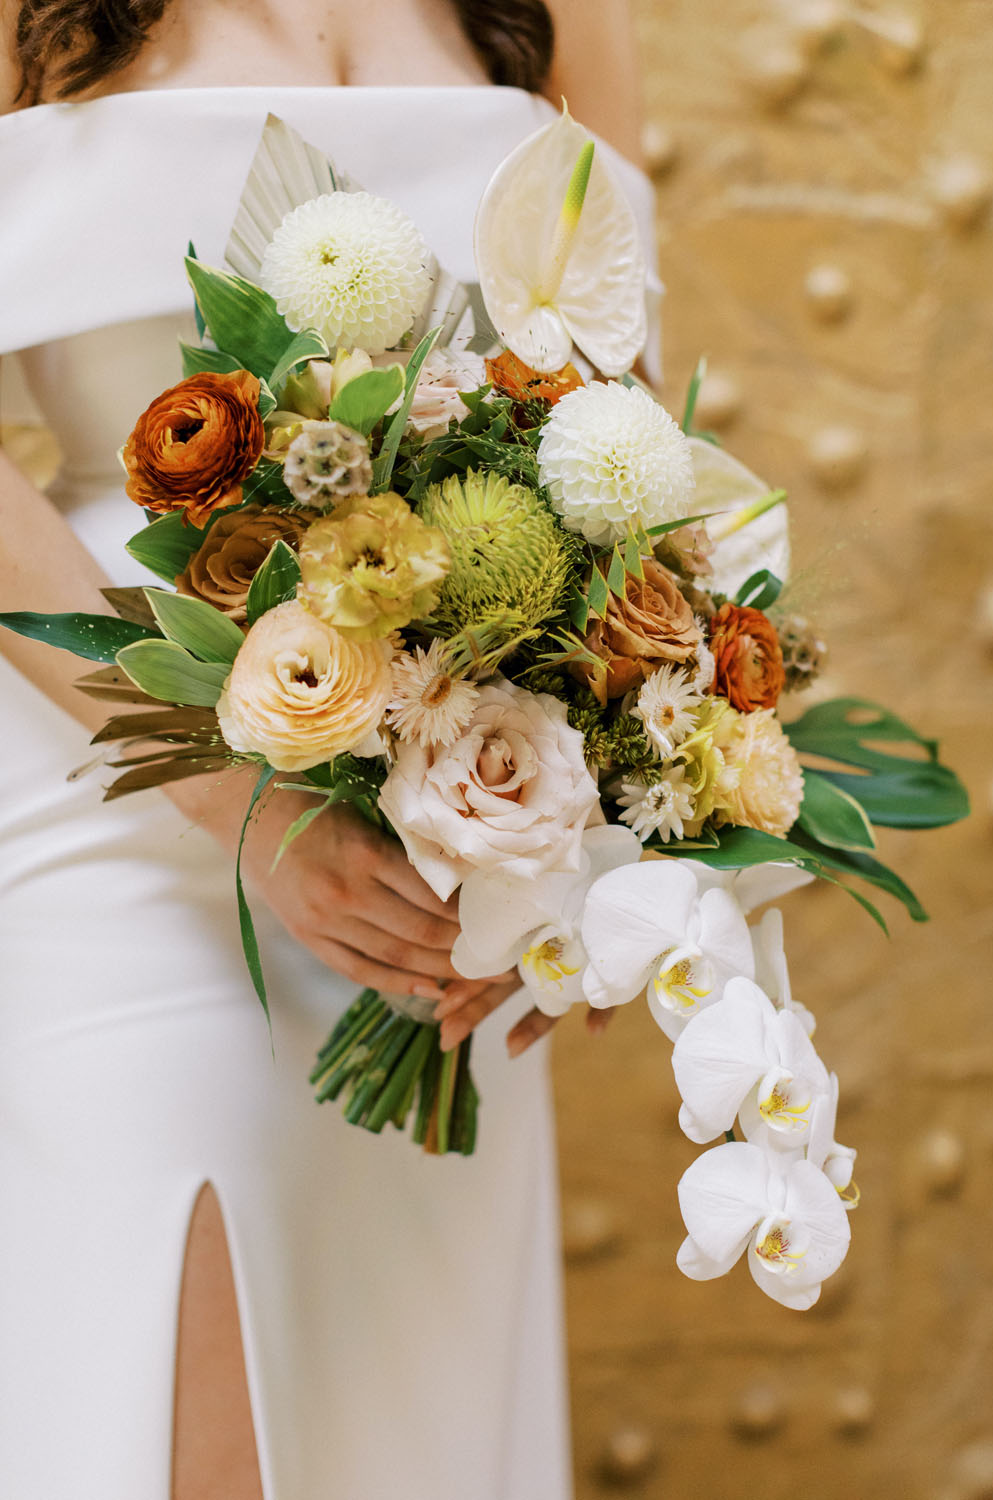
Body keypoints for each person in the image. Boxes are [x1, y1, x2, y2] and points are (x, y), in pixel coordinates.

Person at [0, 3, 656, 1494]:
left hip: (456, 843)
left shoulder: (563, 14)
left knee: (397, 1425)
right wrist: (236, 788)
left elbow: (619, 425)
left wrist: (590, 855)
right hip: (117, 791)